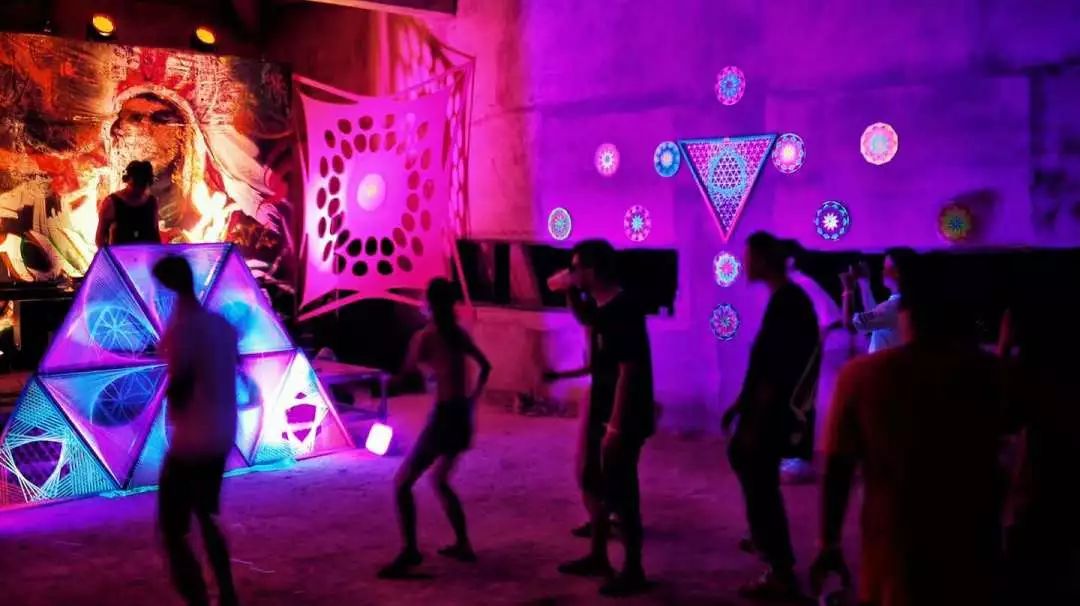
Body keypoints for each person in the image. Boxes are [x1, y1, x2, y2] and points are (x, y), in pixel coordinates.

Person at [811, 253, 1007, 606]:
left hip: (896, 548)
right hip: (973, 543)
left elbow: (838, 468)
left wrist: (829, 543)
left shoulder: (861, 377)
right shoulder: (987, 373)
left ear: (908, 311)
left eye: (888, 267)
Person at [722, 231, 819, 599]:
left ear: (762, 259)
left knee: (760, 485)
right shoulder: (785, 299)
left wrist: (755, 420)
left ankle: (779, 568)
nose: (744, 264)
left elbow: (778, 370)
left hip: (770, 413)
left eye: (748, 257)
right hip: (764, 409)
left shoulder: (788, 302)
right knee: (753, 476)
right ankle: (764, 539)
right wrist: (741, 403)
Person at [556, 239, 655, 597]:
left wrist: (615, 424)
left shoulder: (623, 309)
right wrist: (569, 291)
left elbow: (629, 371)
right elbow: (586, 318)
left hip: (623, 413)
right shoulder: (604, 307)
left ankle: (633, 569)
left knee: (623, 492)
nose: (571, 273)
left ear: (593, 271)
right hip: (606, 407)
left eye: (575, 268)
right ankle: (598, 556)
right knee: (594, 481)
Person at [379, 278, 492, 578]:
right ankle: (463, 544)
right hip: (461, 414)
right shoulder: (457, 333)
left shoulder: (426, 336)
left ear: (429, 303)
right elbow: (486, 366)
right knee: (440, 480)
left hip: (444, 417)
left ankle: (410, 551)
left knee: (403, 483)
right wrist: (473, 400)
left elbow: (406, 374)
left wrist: (382, 382)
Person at [153, 255, 240, 606]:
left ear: (169, 289)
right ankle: (228, 593)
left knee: (173, 529)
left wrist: (169, 402)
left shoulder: (183, 331)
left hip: (192, 439)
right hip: (222, 432)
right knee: (206, 515)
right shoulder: (220, 325)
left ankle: (198, 599)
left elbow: (182, 383)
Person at [998, 259, 1080, 604]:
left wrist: (1003, 351)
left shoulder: (1032, 373)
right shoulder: (1063, 368)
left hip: (1035, 499)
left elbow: (1003, 417)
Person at [840, 248, 914, 354]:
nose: (883, 272)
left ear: (898, 272)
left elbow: (850, 325)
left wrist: (848, 289)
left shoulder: (892, 307)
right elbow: (874, 314)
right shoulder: (901, 303)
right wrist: (863, 282)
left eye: (886, 268)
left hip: (884, 364)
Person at [96, 160, 161, 247]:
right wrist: (108, 254)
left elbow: (156, 233)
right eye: (135, 185)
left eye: (142, 185)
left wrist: (159, 252)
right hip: (120, 254)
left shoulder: (152, 202)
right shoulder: (111, 203)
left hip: (146, 254)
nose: (138, 189)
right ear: (127, 180)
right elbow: (100, 238)